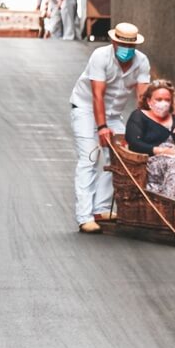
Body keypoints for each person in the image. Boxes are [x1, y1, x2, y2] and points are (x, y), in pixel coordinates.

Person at [70, 22, 151, 233]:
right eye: (122, 44)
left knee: (117, 157)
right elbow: (98, 95)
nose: (127, 50)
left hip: (115, 113)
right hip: (87, 108)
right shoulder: (100, 56)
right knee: (90, 156)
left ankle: (102, 208)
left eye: (130, 46)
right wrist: (102, 127)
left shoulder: (142, 62)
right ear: (114, 42)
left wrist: (144, 127)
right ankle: (84, 215)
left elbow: (142, 98)